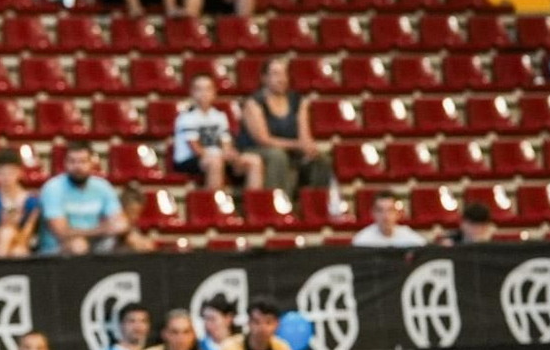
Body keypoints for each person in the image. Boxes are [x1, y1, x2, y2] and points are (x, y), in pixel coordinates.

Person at [239, 58, 332, 196]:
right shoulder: (254, 103)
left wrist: (308, 148)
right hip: (257, 150)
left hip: (290, 149)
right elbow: (263, 139)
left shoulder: (298, 101)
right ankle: (275, 205)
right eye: (275, 74)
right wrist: (297, 145)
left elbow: (304, 135)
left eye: (283, 74)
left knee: (321, 159)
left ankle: (312, 206)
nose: (281, 79)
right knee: (277, 155)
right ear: (264, 78)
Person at [37, 142, 127, 256]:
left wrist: (115, 227)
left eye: (83, 162)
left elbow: (120, 223)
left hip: (96, 244)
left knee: (135, 240)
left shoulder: (103, 186)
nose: (77, 167)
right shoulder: (53, 188)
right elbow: (61, 231)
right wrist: (102, 229)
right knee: (78, 245)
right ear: (65, 163)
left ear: (92, 163)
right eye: (72, 161)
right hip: (57, 249)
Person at [172, 73, 254, 191]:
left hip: (216, 156)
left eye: (208, 89)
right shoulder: (186, 117)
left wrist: (230, 154)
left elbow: (226, 143)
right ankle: (213, 206)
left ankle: (255, 204)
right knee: (215, 161)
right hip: (188, 160)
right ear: (192, 93)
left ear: (214, 92)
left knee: (253, 161)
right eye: (199, 89)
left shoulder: (220, 116)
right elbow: (196, 149)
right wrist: (221, 155)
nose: (204, 93)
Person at [0, 148, 40, 258]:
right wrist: (3, 224)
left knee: (18, 250)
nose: (6, 178)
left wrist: (15, 224)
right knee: (6, 233)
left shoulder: (32, 202)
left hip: (20, 248)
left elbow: (27, 238)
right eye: (1, 173)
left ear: (20, 172)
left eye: (10, 173)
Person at [219, 299, 293, 350]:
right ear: (248, 322)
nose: (262, 328)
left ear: (277, 324)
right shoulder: (230, 347)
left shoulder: (283, 349)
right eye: (257, 322)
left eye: (268, 322)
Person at [352, 191, 427, 249]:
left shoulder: (411, 238)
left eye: (390, 210)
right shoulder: (362, 241)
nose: (385, 216)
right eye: (380, 210)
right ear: (373, 213)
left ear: (398, 214)